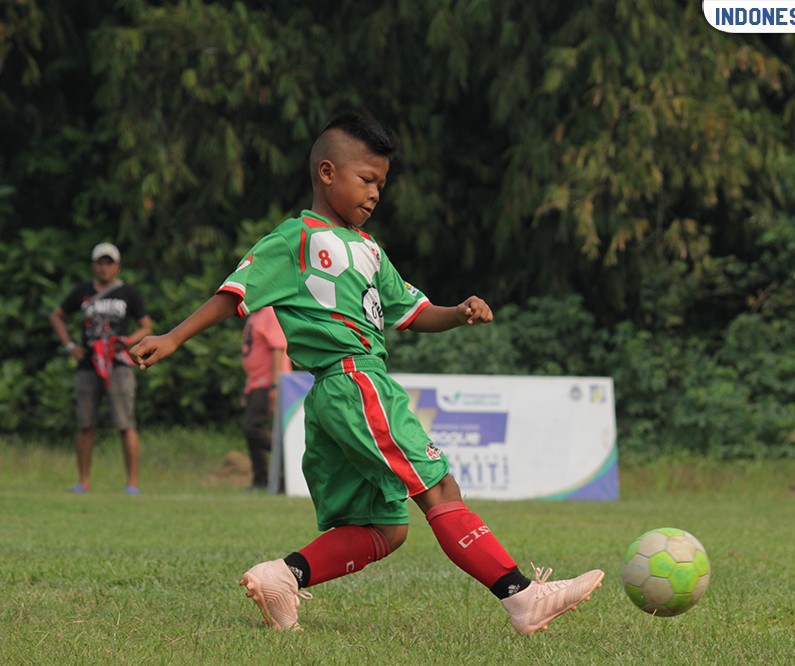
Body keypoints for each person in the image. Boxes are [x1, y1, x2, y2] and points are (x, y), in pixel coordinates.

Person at [130, 111, 604, 634]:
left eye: (382, 183)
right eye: (367, 179)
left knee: (384, 526)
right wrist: (172, 336)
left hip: (341, 392)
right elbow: (234, 293)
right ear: (327, 173)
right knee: (439, 488)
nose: (376, 193)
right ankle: (522, 597)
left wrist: (457, 312)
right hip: (354, 381)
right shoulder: (298, 239)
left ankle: (283, 577)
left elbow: (410, 312)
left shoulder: (370, 249)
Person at [49, 242, 153, 494]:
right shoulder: (82, 291)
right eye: (100, 262)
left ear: (117, 266)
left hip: (118, 365)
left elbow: (146, 327)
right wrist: (70, 345)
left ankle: (132, 484)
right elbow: (57, 316)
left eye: (109, 262)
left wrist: (128, 341)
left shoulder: (129, 292)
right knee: (85, 423)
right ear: (93, 265)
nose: (104, 267)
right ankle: (83, 481)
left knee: (125, 422)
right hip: (88, 365)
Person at [241, 306, 292, 491]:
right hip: (256, 383)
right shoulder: (255, 315)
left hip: (268, 382)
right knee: (251, 430)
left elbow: (278, 348)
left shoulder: (270, 312)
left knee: (252, 427)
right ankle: (261, 479)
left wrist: (275, 385)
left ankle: (289, 455)